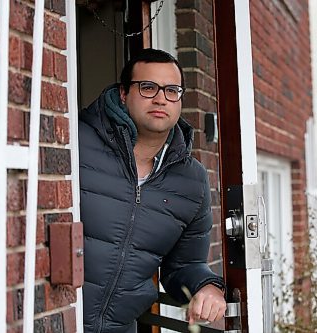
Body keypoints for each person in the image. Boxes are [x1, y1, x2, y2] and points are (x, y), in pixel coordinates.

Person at [79, 48, 226, 333]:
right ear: (123, 93)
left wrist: (208, 287)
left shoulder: (192, 180)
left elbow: (185, 264)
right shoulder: (76, 140)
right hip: (55, 320)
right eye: (148, 87)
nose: (161, 98)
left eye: (172, 90)